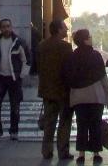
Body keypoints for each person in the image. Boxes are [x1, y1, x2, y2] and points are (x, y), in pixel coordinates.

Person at [63, 28, 108, 166]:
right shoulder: (96, 55)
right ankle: (96, 153)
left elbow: (68, 77)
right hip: (96, 96)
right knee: (95, 125)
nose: (91, 38)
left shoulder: (72, 57)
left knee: (81, 125)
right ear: (85, 39)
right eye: (89, 36)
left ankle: (81, 154)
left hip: (79, 98)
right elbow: (103, 77)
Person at [0, 17, 31, 141]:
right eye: (3, 26)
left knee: (15, 106)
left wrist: (21, 75)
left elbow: (26, 60)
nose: (6, 29)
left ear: (11, 27)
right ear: (0, 28)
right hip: (0, 77)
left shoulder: (18, 42)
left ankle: (14, 131)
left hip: (14, 79)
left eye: (8, 26)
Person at [37, 19, 74, 161]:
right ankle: (63, 151)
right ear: (58, 29)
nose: (67, 30)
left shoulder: (41, 46)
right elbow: (69, 69)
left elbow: (39, 67)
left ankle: (46, 151)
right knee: (64, 123)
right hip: (63, 91)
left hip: (47, 90)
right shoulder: (66, 47)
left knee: (49, 123)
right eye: (64, 28)